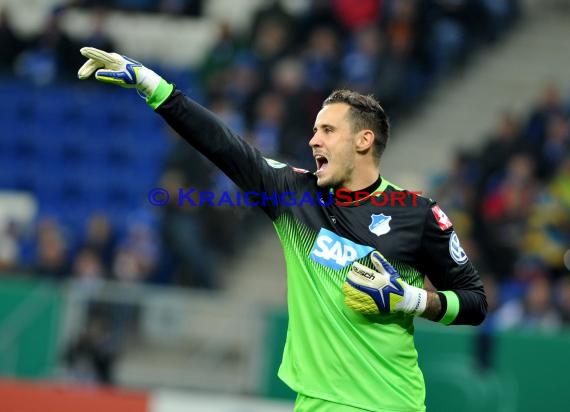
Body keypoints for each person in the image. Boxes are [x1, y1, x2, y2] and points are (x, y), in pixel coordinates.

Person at [77, 47, 487, 412]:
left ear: (364, 140)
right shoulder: (294, 193)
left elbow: (475, 302)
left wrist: (410, 300)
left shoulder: (417, 214)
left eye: (327, 130)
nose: (313, 141)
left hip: (388, 403)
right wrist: (153, 86)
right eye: (313, 130)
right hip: (313, 402)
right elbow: (223, 145)